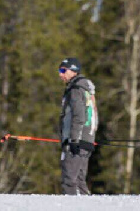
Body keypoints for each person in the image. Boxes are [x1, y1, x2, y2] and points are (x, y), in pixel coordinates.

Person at [58, 57, 98, 195]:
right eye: (59, 70)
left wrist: (74, 140)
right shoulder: (86, 89)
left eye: (63, 70)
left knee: (69, 180)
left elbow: (79, 116)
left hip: (76, 140)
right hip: (86, 140)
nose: (60, 74)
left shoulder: (75, 89)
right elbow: (94, 116)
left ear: (73, 71)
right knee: (80, 182)